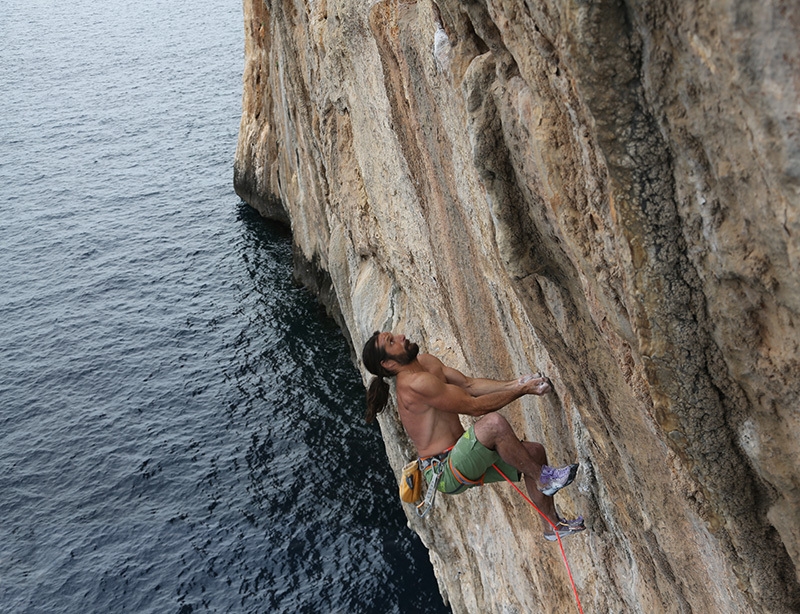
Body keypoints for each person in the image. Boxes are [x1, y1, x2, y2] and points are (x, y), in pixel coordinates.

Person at [362, 330, 585, 541]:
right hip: (444, 469)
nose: (401, 337)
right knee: (493, 425)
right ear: (388, 363)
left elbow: (469, 385)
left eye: (394, 336)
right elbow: (474, 407)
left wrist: (515, 383)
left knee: (534, 452)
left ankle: (552, 526)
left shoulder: (427, 363)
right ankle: (542, 478)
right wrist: (522, 391)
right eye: (392, 342)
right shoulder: (415, 384)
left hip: (459, 455)